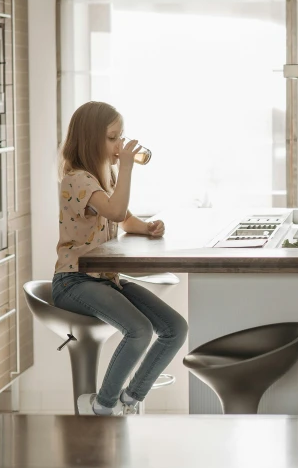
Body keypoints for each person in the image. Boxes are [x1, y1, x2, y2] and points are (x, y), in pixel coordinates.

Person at [52, 101, 188, 416]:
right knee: (139, 329)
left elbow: (123, 218)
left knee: (174, 328)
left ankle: (131, 399)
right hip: (74, 279)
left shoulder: (104, 175)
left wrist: (148, 227)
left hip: (105, 279)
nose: (119, 145)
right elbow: (113, 210)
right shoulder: (78, 179)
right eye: (113, 138)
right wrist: (126, 167)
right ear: (91, 140)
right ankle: (102, 406)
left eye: (120, 137)